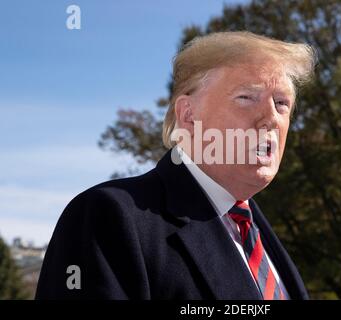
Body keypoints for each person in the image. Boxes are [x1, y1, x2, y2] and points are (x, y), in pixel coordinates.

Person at [35, 31, 316, 300]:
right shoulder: (106, 217)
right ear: (189, 115)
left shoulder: (260, 235)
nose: (271, 118)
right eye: (246, 97)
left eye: (281, 103)